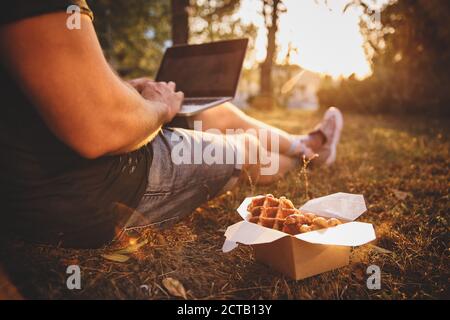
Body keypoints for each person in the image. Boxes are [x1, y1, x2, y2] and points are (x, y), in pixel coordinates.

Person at [0, 0, 343, 248]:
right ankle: (304, 160)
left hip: (39, 174)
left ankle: (306, 145)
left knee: (216, 113)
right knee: (245, 147)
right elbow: (98, 129)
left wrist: (125, 92)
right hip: (77, 190)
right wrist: (160, 107)